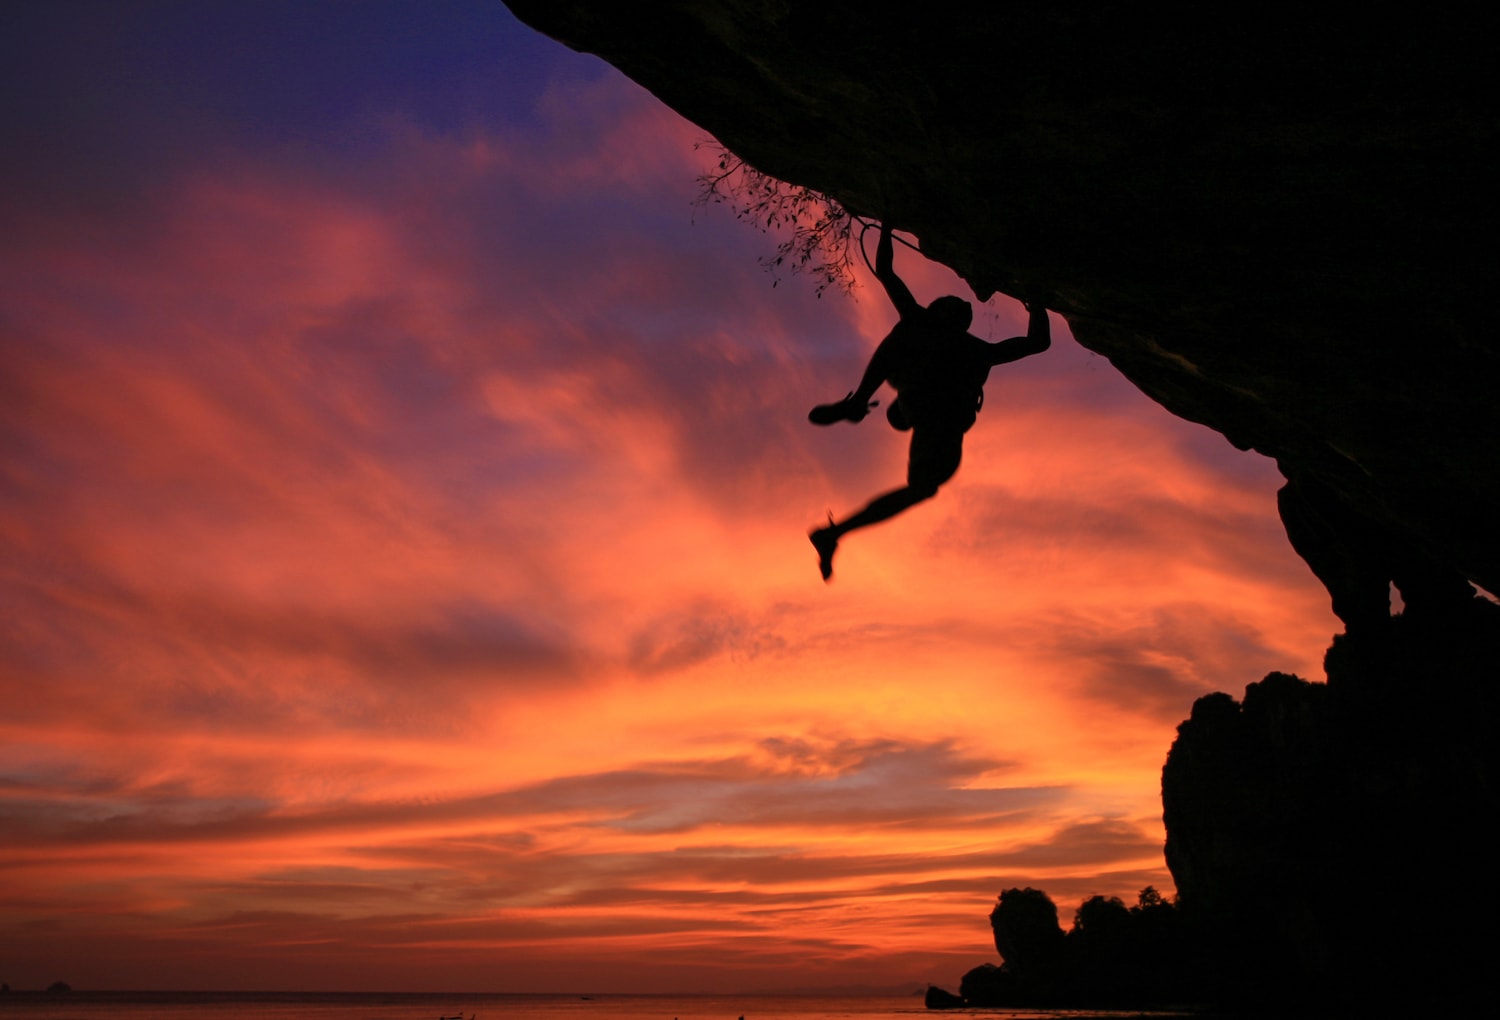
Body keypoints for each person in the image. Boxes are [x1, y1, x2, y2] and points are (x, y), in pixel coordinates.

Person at [807, 222, 1050, 581]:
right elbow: (1036, 343)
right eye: (952, 307)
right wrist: (1036, 301)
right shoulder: (965, 345)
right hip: (937, 415)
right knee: (907, 332)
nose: (956, 308)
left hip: (935, 415)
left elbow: (887, 271)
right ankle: (859, 405)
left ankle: (859, 406)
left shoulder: (950, 338)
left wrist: (887, 226)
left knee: (923, 486)